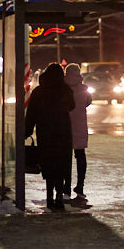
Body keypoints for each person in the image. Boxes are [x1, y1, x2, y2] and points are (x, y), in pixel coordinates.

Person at [24, 63, 75, 211]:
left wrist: (26, 132)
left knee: (49, 166)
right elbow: (72, 106)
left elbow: (31, 114)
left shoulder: (39, 91)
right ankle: (59, 197)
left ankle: (49, 198)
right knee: (61, 166)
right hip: (63, 134)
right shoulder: (65, 90)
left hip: (45, 134)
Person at [63, 64, 94, 204]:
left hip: (65, 127)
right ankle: (80, 187)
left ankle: (66, 188)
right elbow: (88, 102)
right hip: (80, 127)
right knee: (80, 156)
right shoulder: (84, 89)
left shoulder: (62, 89)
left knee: (66, 158)